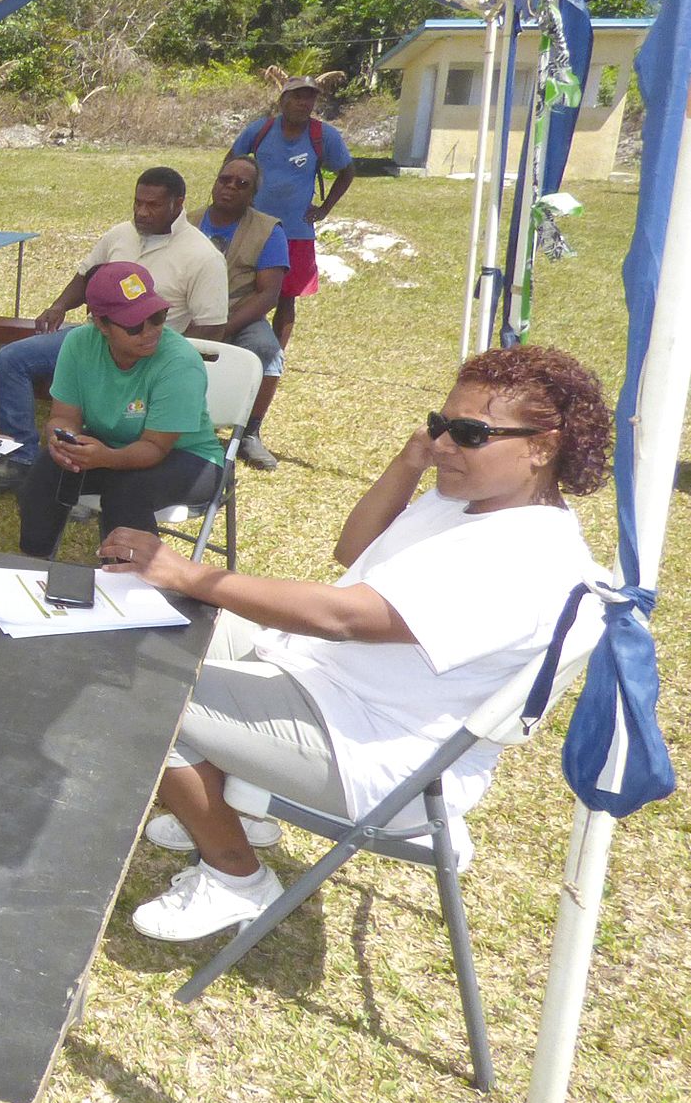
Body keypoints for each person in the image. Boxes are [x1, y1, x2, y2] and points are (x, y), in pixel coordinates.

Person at [108, 344, 610, 941]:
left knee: (141, 692)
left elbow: (345, 617)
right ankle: (231, 806)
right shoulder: (471, 501)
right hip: (324, 681)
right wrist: (409, 462)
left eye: (470, 433)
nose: (445, 444)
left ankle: (235, 876)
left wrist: (192, 573)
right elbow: (355, 553)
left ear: (542, 446)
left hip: (372, 749)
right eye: (440, 425)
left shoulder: (528, 559)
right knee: (158, 623)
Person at [0, 166, 228, 493]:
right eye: (137, 202)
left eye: (153, 205)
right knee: (13, 357)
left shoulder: (203, 256)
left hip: (149, 355)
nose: (142, 212)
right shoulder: (120, 233)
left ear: (178, 204)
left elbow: (211, 329)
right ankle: (22, 458)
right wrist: (59, 306)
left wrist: (166, 362)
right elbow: (86, 275)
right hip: (96, 339)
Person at [13, 263, 223, 557]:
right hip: (111, 448)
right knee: (48, 467)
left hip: (188, 457)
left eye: (157, 317)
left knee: (126, 489)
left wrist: (106, 457)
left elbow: (155, 447)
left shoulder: (179, 362)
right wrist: (63, 442)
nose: (150, 331)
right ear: (101, 324)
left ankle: (132, 585)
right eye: (135, 325)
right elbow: (63, 417)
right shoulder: (78, 344)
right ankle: (35, 564)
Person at [225, 75, 356, 349]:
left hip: (295, 231)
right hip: (255, 227)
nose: (302, 102)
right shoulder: (260, 130)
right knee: (244, 291)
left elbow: (347, 171)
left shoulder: (324, 136)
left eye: (308, 97)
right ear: (282, 100)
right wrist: (237, 199)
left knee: (286, 297)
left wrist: (324, 209)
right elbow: (232, 162)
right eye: (296, 96)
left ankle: (275, 357)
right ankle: (239, 346)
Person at [192, 156, 288, 470]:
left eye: (241, 184)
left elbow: (268, 294)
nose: (230, 187)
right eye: (225, 179)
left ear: (252, 194)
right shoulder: (186, 222)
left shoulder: (268, 230)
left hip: (241, 312)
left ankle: (249, 432)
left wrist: (226, 326)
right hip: (188, 311)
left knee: (268, 351)